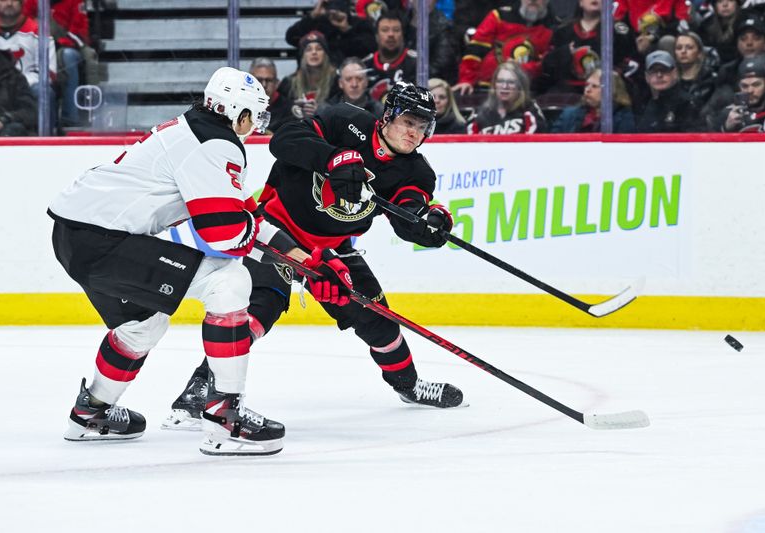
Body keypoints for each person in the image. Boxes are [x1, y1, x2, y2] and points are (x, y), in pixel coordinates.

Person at [47, 66, 350, 456]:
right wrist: (296, 267)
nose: (255, 126)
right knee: (229, 281)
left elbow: (243, 215)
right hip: (105, 241)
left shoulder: (193, 129)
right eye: (254, 117)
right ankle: (226, 415)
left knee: (142, 325)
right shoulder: (215, 143)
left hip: (74, 236)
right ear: (238, 113)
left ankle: (90, 412)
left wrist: (303, 258)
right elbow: (223, 234)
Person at [163, 81, 465, 432]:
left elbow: (407, 213)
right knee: (259, 309)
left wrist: (429, 224)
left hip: (334, 250)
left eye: (423, 126)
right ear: (388, 116)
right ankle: (200, 388)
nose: (414, 133)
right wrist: (333, 158)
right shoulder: (344, 121)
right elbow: (284, 139)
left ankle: (408, 385)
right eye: (408, 121)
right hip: (278, 232)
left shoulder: (416, 171)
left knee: (379, 319)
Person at [453, 0, 558, 95]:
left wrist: (522, 68)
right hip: (488, 89)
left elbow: (546, 65)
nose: (533, 0)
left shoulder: (554, 27)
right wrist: (466, 80)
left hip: (529, 92)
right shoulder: (499, 16)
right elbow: (475, 51)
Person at [0, 0, 56, 106]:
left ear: (22, 3)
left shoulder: (39, 32)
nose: (9, 3)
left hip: (28, 88)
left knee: (43, 92)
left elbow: (48, 73)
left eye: (14, 0)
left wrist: (18, 85)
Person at [285, 0, 376, 66]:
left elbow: (370, 47)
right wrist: (312, 16)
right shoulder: (316, 23)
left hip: (351, 74)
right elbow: (291, 38)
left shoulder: (360, 24)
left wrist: (346, 29)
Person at [466, 60, 547, 134]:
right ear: (494, 84)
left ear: (520, 86)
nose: (504, 86)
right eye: (500, 81)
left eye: (511, 82)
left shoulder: (530, 110)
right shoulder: (480, 113)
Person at [712, 54, 765, 132]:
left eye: (756, 85)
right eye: (745, 86)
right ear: (739, 87)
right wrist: (727, 127)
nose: (750, 90)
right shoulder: (728, 114)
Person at [278, 30, 338, 120]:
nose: (314, 52)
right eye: (308, 49)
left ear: (325, 54)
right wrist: (294, 109)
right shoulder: (289, 83)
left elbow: (340, 110)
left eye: (319, 49)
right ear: (303, 56)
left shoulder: (337, 81)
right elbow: (279, 112)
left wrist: (321, 110)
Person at [551, 69, 635, 133]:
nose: (587, 90)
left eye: (594, 86)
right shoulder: (568, 114)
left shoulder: (623, 119)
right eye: (587, 85)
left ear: (610, 91)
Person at [636, 50, 701, 132]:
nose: (659, 75)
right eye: (653, 71)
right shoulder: (644, 104)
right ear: (647, 77)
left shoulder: (687, 103)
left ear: (675, 73)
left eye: (664, 70)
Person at [363, 10, 417, 102]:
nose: (391, 34)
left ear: (402, 35)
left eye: (396, 30)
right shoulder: (365, 66)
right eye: (385, 30)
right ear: (376, 36)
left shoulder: (417, 64)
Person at [249, 57, 295, 134]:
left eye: (269, 80)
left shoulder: (289, 111)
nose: (264, 85)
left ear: (277, 83)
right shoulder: (238, 106)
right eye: (259, 80)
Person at [674, 32, 717, 112]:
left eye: (689, 47)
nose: (683, 51)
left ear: (699, 53)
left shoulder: (710, 79)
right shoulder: (671, 80)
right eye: (679, 48)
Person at [0, 47, 36, 135]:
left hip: (6, 129)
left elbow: (30, 112)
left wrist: (4, 119)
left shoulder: (14, 78)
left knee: (14, 128)